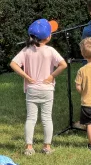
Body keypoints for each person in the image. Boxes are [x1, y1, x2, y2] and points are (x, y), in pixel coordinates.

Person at [10, 19, 67, 155]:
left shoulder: (26, 50)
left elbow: (13, 64)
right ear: (48, 37)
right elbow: (63, 64)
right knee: (47, 118)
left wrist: (27, 77)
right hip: (47, 90)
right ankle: (47, 147)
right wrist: (51, 76)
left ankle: (29, 148)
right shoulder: (50, 51)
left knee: (31, 118)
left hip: (32, 89)